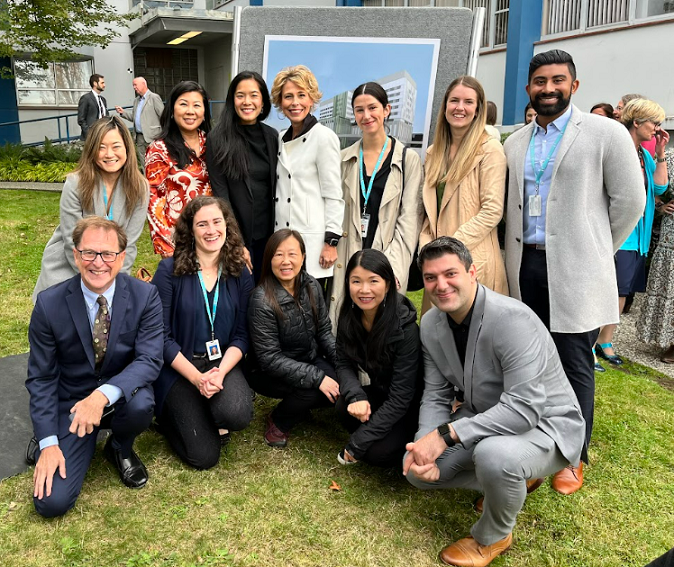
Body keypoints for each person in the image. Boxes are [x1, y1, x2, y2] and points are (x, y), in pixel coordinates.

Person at [504, 49, 644, 494]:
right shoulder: (515, 142)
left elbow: (631, 203)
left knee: (573, 360)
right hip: (523, 263)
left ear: (574, 86)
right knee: (527, 359)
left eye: (557, 81)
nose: (548, 89)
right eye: (540, 82)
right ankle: (533, 442)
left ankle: (572, 454)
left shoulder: (605, 133)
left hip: (576, 268)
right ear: (529, 89)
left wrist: (597, 247)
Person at [404, 237, 585, 567]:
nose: (440, 285)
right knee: (416, 472)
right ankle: (515, 479)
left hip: (547, 424)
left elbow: (523, 410)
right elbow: (435, 394)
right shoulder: (430, 324)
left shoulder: (513, 320)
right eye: (431, 278)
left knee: (494, 456)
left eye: (450, 274)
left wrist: (444, 436)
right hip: (483, 418)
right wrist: (422, 445)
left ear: (472, 272)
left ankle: (493, 535)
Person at [26, 217, 164, 518]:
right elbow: (42, 377)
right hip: (71, 403)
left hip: (117, 399)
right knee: (51, 503)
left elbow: (149, 359)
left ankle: (119, 447)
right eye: (89, 253)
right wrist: (50, 442)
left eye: (107, 254)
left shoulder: (145, 296)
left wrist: (101, 397)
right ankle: (51, 435)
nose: (98, 262)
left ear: (122, 257)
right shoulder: (48, 305)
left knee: (142, 403)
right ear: (76, 256)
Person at [151, 196, 254, 469]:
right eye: (202, 224)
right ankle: (170, 417)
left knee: (237, 414)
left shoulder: (240, 272)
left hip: (221, 363)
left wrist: (220, 372)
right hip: (180, 368)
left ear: (227, 226)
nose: (211, 231)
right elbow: (161, 338)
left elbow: (243, 335)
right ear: (191, 230)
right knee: (204, 457)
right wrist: (197, 379)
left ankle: (205, 409)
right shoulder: (168, 270)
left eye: (217, 222)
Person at [331, 82, 423, 323]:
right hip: (349, 252)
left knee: (382, 326)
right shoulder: (344, 159)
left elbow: (410, 218)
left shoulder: (407, 159)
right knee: (346, 324)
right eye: (359, 110)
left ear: (387, 109)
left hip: (388, 254)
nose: (366, 115)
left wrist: (392, 267)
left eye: (373, 107)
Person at [32, 116, 149, 302]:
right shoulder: (75, 183)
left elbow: (130, 245)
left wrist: (112, 284)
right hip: (69, 266)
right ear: (92, 150)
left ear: (127, 147)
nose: (109, 154)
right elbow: (72, 242)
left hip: (111, 270)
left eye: (116, 146)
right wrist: (95, 281)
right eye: (101, 147)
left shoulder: (140, 187)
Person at [419, 75, 508, 313]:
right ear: (445, 105)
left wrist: (451, 248)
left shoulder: (489, 150)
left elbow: (492, 210)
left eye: (468, 102)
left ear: (478, 109)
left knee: (474, 341)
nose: (460, 108)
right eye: (454, 100)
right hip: (437, 262)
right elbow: (429, 212)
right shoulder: (433, 153)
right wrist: (426, 246)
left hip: (472, 259)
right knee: (436, 339)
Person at [247, 229, 338, 447]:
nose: (286, 261)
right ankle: (278, 421)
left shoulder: (311, 285)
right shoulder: (261, 300)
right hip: (267, 371)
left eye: (292, 254)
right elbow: (269, 359)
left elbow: (324, 330)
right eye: (278, 255)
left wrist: (342, 362)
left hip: (307, 358)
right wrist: (317, 377)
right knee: (314, 390)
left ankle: (298, 406)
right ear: (269, 259)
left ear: (303, 257)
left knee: (338, 384)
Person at [595, 99, 669, 366]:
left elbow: (660, 188)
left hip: (638, 237)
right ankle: (590, 344)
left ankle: (605, 340)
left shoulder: (643, 154)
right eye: (654, 123)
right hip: (618, 233)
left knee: (622, 292)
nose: (657, 128)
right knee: (606, 290)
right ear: (636, 122)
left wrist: (660, 152)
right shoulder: (617, 148)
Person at [335, 249, 421, 467]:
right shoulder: (349, 317)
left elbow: (402, 397)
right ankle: (377, 432)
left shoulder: (405, 329)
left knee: (376, 454)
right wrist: (356, 396)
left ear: (388, 284)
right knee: (344, 406)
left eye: (374, 281)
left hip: (411, 406)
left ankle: (408, 441)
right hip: (381, 392)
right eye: (356, 281)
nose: (364, 290)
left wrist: (358, 442)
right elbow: (343, 362)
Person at [270, 65, 345, 281]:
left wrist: (331, 243)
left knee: (309, 306)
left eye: (301, 95)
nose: (295, 103)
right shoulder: (280, 138)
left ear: (311, 99)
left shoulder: (323, 137)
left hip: (312, 243)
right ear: (280, 102)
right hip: (282, 240)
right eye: (288, 97)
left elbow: (333, 195)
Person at [207, 71, 279, 284]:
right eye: (240, 95)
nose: (247, 102)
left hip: (269, 236)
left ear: (263, 101)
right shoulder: (218, 138)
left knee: (267, 296)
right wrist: (236, 242)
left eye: (254, 95)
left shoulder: (272, 136)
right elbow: (222, 195)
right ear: (232, 100)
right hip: (238, 235)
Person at [146, 80, 213, 257]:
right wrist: (167, 249)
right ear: (172, 110)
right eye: (183, 104)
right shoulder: (159, 149)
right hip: (178, 241)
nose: (190, 111)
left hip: (212, 237)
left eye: (197, 105)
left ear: (204, 112)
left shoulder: (213, 144)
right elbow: (154, 202)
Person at [115, 76, 164, 160]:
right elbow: (135, 118)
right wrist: (123, 113)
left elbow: (164, 116)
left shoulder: (154, 97)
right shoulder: (136, 101)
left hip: (153, 137)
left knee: (154, 162)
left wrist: (164, 135)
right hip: (139, 138)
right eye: (133, 85)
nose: (134, 87)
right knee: (143, 162)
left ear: (143, 84)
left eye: (135, 85)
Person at [78, 74, 108, 141]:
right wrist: (89, 133)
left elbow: (106, 116)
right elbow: (81, 119)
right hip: (91, 137)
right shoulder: (86, 98)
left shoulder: (103, 100)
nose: (104, 85)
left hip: (103, 135)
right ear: (95, 83)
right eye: (102, 83)